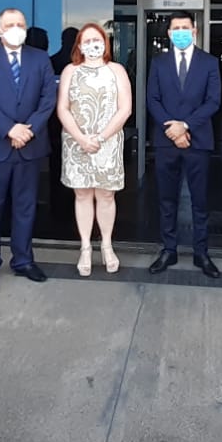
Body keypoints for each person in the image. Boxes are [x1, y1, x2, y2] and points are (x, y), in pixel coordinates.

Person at [0, 8, 57, 292]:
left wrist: (27, 129)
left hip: (29, 146)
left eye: (20, 24)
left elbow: (48, 98)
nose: (16, 28)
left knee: (25, 208)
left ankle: (23, 260)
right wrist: (9, 129)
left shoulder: (40, 58)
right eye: (10, 24)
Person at [146, 11, 222, 279]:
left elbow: (213, 101)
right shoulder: (158, 63)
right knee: (167, 199)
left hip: (198, 141)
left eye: (185, 27)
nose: (180, 32)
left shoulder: (209, 63)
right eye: (175, 28)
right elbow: (152, 100)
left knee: (200, 200)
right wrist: (172, 129)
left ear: (195, 31)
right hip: (167, 142)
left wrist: (185, 126)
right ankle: (169, 249)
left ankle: (201, 253)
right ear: (168, 33)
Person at [56, 23, 132, 276]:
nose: (92, 45)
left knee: (107, 195)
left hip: (107, 143)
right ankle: (86, 247)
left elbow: (125, 109)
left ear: (105, 43)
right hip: (77, 143)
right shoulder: (70, 70)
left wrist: (99, 137)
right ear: (79, 45)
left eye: (96, 40)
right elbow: (63, 108)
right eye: (86, 41)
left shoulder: (116, 70)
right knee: (82, 195)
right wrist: (81, 138)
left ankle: (107, 245)